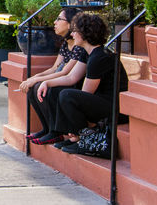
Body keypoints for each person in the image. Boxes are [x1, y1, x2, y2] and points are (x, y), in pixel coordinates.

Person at [45, 13, 129, 153]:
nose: (72, 34)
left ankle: (82, 138)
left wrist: (77, 124)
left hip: (115, 108)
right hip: (101, 101)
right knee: (58, 90)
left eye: (75, 31)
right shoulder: (87, 52)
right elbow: (71, 77)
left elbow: (85, 94)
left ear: (85, 33)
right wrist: (47, 83)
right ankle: (72, 136)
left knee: (67, 95)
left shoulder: (99, 57)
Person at [19, 7, 88, 145]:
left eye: (59, 19)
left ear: (70, 24)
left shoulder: (79, 46)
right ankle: (47, 128)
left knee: (46, 89)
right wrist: (33, 78)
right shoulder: (65, 44)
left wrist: (38, 80)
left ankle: (56, 132)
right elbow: (55, 68)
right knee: (33, 89)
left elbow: (65, 73)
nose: (55, 22)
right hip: (62, 78)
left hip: (73, 83)